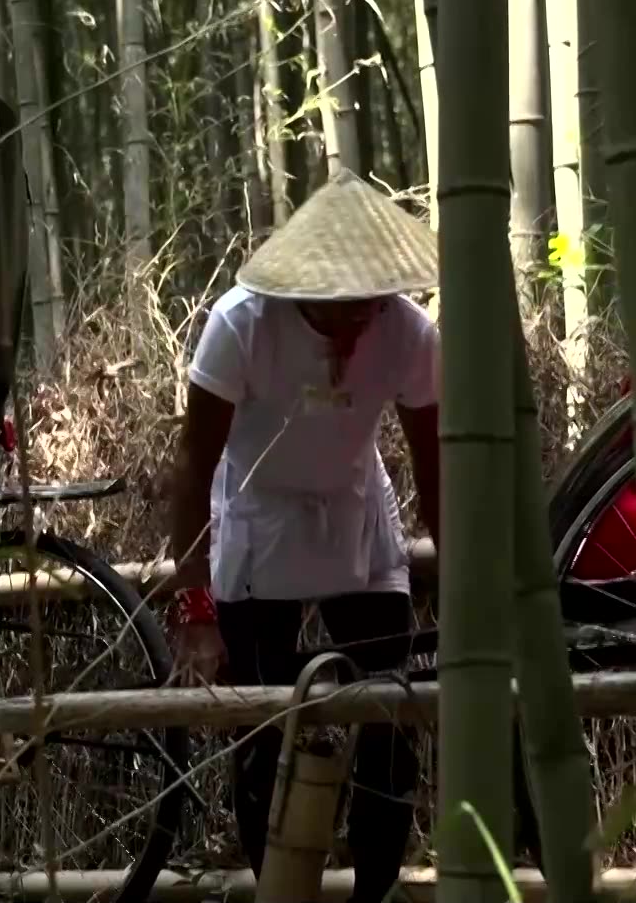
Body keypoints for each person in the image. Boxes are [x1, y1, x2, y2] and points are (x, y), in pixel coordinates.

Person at [168, 172, 441, 903]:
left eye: (370, 304)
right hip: (258, 519)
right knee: (265, 732)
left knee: (388, 718)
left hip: (357, 513)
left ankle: (374, 891)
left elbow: (435, 464)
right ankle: (282, 891)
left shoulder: (407, 332)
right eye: (341, 307)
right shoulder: (242, 325)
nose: (358, 323)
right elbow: (193, 464)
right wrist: (194, 607)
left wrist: (462, 574)